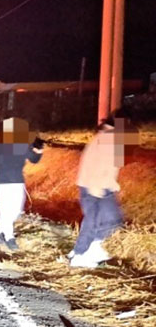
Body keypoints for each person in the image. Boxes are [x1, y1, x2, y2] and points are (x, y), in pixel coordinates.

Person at [70, 115, 126, 268]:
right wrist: (96, 185)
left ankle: (83, 251)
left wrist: (111, 183)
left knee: (98, 220)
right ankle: (83, 254)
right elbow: (98, 164)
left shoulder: (103, 138)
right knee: (107, 221)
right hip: (97, 187)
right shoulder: (109, 139)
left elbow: (108, 166)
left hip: (97, 186)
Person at [0, 119, 44, 250]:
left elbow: (34, 159)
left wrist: (39, 150)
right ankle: (9, 237)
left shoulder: (21, 144)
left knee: (16, 211)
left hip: (17, 181)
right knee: (6, 211)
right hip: (3, 182)